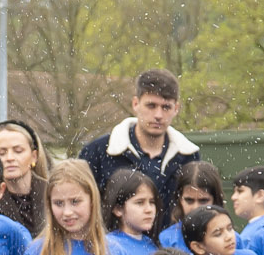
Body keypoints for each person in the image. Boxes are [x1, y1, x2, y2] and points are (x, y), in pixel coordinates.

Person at [76, 69, 200, 220]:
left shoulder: (189, 157)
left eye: (166, 107)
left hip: (172, 243)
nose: (158, 115)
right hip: (110, 242)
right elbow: (81, 206)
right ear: (135, 104)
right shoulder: (98, 152)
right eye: (151, 106)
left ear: (176, 109)